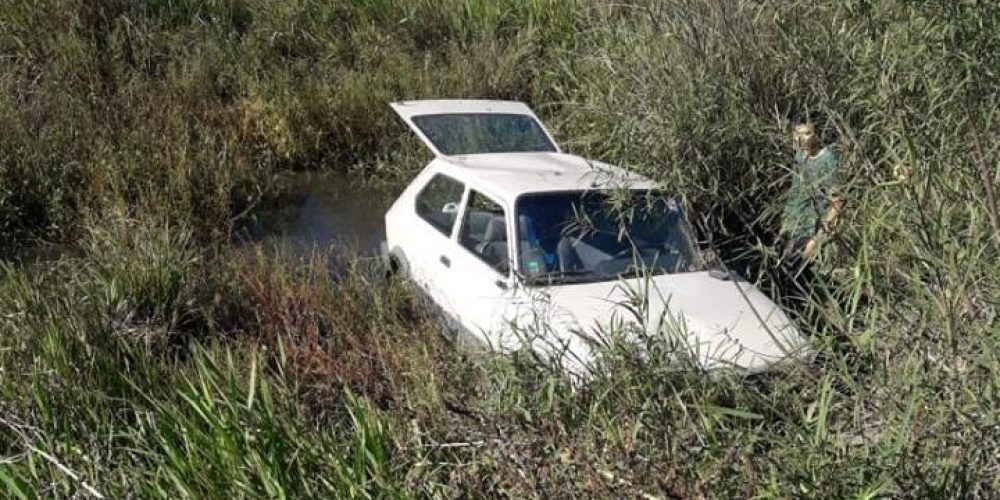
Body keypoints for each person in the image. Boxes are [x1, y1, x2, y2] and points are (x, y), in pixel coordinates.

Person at [778, 122, 843, 308]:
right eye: (797, 133)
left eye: (807, 133)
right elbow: (796, 190)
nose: (801, 138)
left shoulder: (828, 159)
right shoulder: (800, 155)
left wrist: (818, 239)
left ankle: (832, 317)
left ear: (817, 134)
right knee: (791, 273)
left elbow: (836, 204)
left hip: (812, 226)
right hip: (794, 222)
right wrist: (786, 221)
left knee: (812, 277)